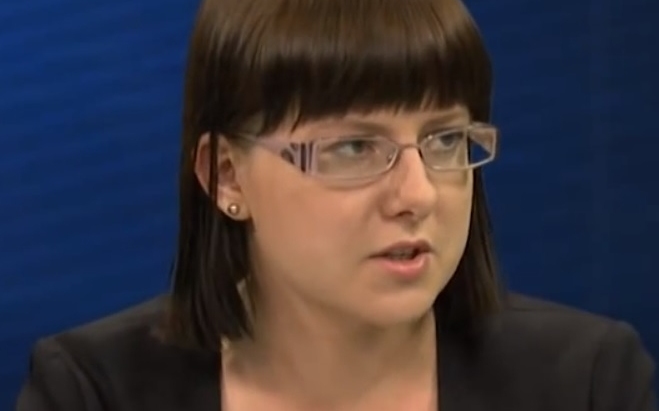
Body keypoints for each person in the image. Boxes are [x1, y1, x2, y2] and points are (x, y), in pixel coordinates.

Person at [15, 0, 656, 410]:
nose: (417, 195)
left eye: (445, 141)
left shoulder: (587, 382)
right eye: (354, 148)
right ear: (227, 176)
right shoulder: (93, 391)